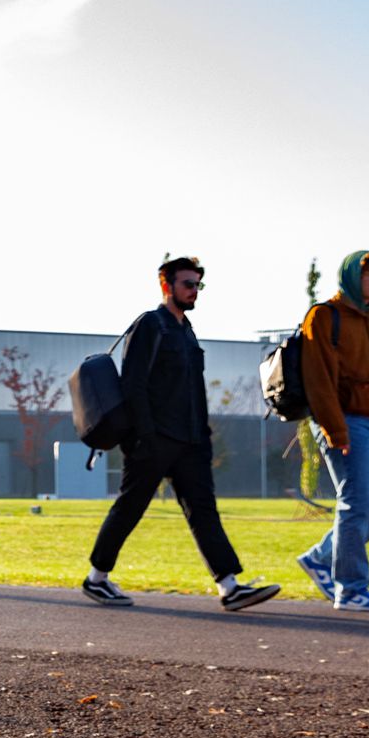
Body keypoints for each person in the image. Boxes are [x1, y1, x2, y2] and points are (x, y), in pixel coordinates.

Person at [82, 257, 280, 611]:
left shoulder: (186, 331)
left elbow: (194, 391)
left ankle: (229, 587)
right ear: (166, 285)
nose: (194, 291)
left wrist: (203, 436)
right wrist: (144, 437)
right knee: (130, 507)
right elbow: (133, 384)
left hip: (190, 442)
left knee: (203, 510)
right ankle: (96, 579)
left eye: (198, 285)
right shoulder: (150, 325)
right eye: (188, 284)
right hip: (153, 439)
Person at [294, 250, 369, 612]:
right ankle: (351, 589)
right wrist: (336, 431)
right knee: (357, 502)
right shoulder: (323, 315)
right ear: (350, 276)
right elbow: (318, 381)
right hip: (344, 423)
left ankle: (320, 557)